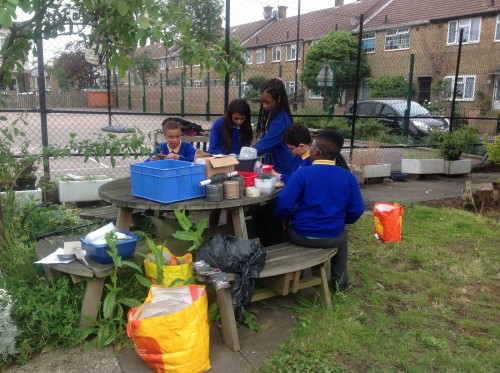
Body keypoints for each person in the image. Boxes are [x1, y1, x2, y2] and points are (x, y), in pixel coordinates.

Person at [275, 129, 365, 291]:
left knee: (282, 229)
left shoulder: (302, 174)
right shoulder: (348, 177)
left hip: (301, 235)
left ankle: (291, 276)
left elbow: (284, 203)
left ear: (316, 151)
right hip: (333, 236)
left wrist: (284, 218)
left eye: (312, 146)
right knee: (343, 237)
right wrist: (341, 221)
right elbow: (357, 210)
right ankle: (340, 283)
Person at [253, 78, 294, 174]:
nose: (264, 105)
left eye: (267, 102)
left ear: (278, 99)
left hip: (284, 166)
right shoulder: (274, 113)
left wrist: (245, 154)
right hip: (277, 163)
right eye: (263, 102)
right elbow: (267, 136)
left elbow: (267, 142)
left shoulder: (281, 121)